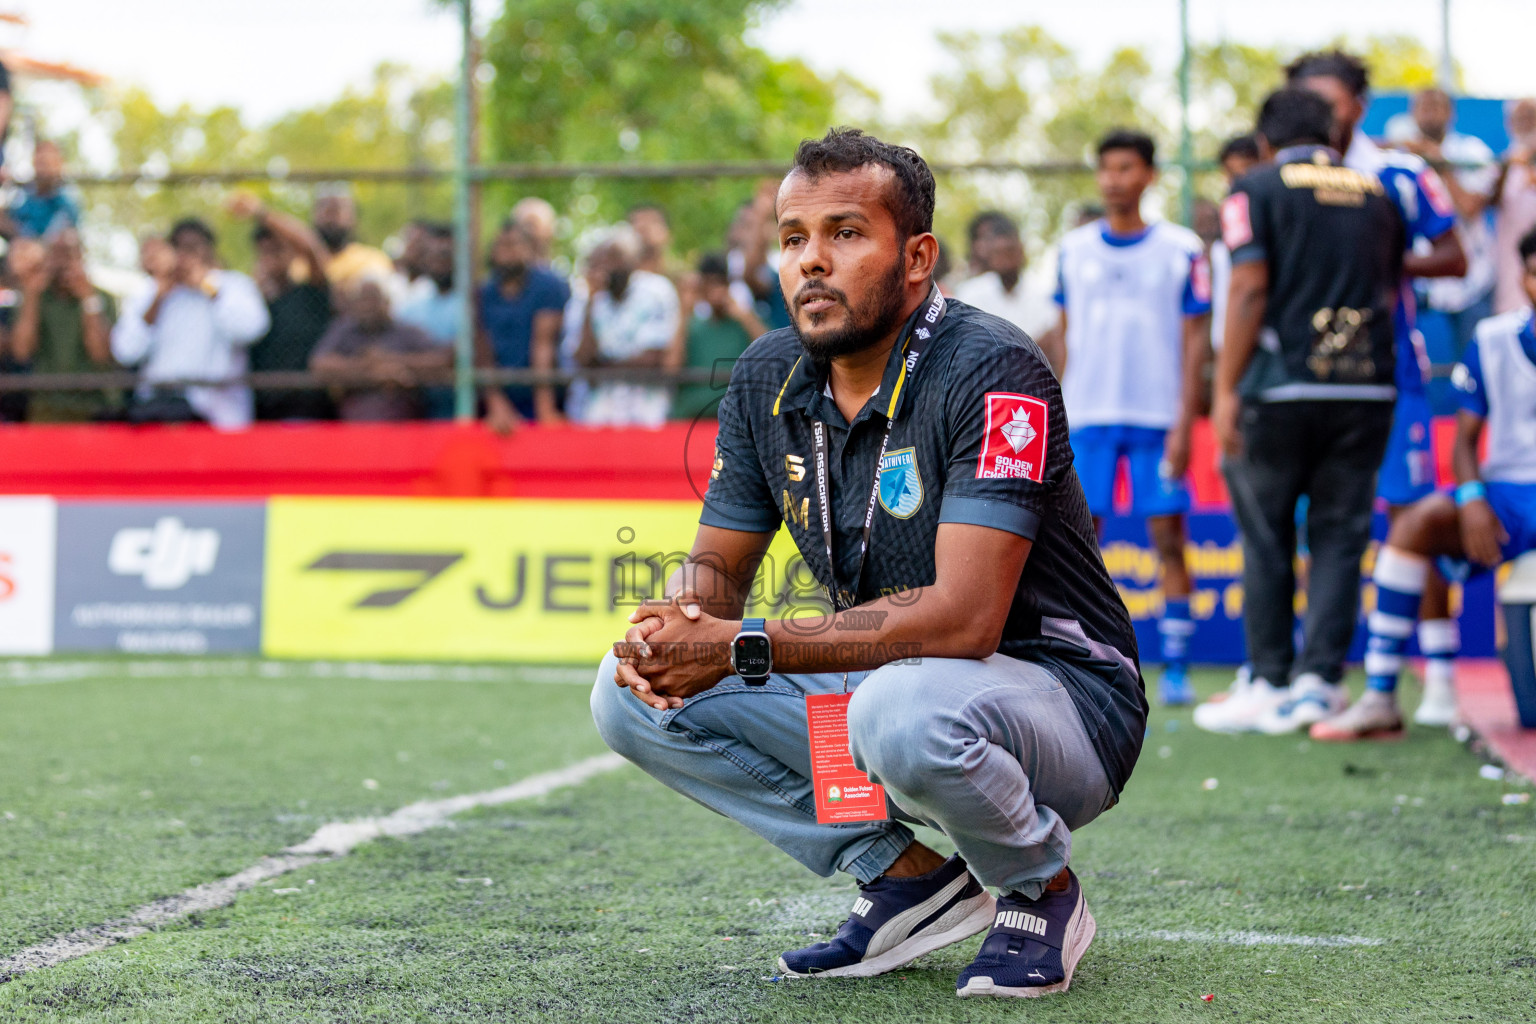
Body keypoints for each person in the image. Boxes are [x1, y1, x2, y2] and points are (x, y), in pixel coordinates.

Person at [591, 128, 1144, 999]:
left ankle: (1041, 889)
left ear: (917, 256)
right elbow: (715, 575)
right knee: (626, 695)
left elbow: (966, 619)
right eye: (793, 238)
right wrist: (678, 623)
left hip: (1062, 698)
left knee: (901, 707)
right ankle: (908, 876)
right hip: (894, 680)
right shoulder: (767, 375)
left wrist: (737, 645)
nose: (812, 261)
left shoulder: (994, 368)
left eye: (846, 233)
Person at [1196, 89, 1407, 735]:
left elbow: (1250, 285)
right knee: (1341, 538)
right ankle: (1319, 684)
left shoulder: (1254, 188)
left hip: (1280, 386)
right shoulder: (1377, 192)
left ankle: (1268, 679)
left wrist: (1225, 388)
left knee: (1267, 534)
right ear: (1333, 134)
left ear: (1265, 141)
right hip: (1367, 385)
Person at [1277, 50, 1467, 731]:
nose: (1318, 115)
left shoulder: (1397, 171)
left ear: (1358, 104)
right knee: (1315, 527)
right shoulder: (1283, 179)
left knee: (1412, 517)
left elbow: (1455, 256)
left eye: (1328, 101)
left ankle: (1440, 679)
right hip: (1307, 382)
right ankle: (1316, 679)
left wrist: (1380, 260)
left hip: (1392, 377)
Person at [1314, 225, 1536, 740]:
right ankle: (1381, 696)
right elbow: (1463, 441)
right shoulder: (1493, 338)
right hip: (1509, 494)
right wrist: (1474, 498)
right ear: (1522, 279)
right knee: (1416, 524)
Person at [1050, 129, 1212, 706]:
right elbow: (1064, 338)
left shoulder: (1183, 249)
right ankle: (1080, 660)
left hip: (1156, 416)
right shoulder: (1072, 250)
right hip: (1089, 415)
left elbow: (1197, 344)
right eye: (1106, 169)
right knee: (1078, 541)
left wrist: (1184, 420)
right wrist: (1058, 413)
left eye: (1125, 168)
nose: (1114, 180)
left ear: (1148, 175)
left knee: (1168, 536)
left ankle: (1177, 667)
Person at [111, 219, 270, 429]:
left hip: (218, 419)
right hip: (157, 417)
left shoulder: (232, 284)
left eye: (193, 247)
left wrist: (208, 287)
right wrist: (159, 297)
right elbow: (125, 351)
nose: (185, 255)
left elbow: (251, 329)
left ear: (210, 251)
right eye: (178, 247)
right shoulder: (150, 291)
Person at [1388, 87, 1499, 371]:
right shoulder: (1398, 155)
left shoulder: (1472, 151)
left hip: (1470, 279)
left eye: (1437, 105)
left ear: (1451, 113)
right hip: (1419, 275)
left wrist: (1437, 162)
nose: (1430, 112)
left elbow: (1470, 207)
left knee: (1477, 365)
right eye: (1423, 105)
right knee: (1395, 352)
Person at [227, 193, 335, 420]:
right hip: (262, 416)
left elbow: (312, 248)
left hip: (309, 412)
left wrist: (261, 214)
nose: (270, 258)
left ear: (293, 254)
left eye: (278, 250)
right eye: (264, 251)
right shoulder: (250, 303)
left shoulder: (311, 292)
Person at [571, 225, 679, 427]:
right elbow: (584, 360)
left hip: (647, 411)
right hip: (600, 412)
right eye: (603, 259)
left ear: (634, 261)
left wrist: (603, 367)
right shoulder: (588, 298)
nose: (608, 266)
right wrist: (590, 302)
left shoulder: (656, 291)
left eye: (616, 257)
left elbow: (652, 358)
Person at [5, 231, 117, 422]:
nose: (62, 263)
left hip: (93, 405)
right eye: (56, 254)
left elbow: (100, 354)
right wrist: (32, 293)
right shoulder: (37, 297)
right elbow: (21, 351)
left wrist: (88, 299)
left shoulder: (100, 297)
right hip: (46, 405)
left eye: (69, 254)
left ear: (81, 257)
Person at [309, 276, 450, 421]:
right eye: (363, 300)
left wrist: (393, 361)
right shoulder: (343, 330)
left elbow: (439, 360)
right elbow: (319, 363)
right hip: (353, 424)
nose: (368, 306)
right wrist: (368, 370)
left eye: (373, 299)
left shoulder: (407, 331)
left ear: (387, 303)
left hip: (405, 423)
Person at [478, 220, 568, 433]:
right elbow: (482, 348)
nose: (508, 252)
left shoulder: (548, 286)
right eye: (502, 245)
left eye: (515, 245)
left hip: (541, 396)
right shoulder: (484, 292)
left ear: (530, 249)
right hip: (497, 398)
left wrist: (544, 409)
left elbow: (544, 346)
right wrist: (496, 403)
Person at [668, 252, 766, 420]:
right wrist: (684, 313)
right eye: (708, 285)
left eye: (719, 284)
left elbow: (772, 352)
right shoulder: (691, 326)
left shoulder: (743, 323)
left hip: (736, 417)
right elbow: (671, 369)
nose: (714, 291)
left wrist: (745, 316)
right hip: (692, 415)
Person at [954, 211, 1056, 341]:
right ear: (991, 256)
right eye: (999, 252)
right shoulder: (970, 294)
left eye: (1010, 251)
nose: (1005, 259)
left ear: (1021, 252)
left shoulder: (1043, 294)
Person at [396, 223, 458, 419]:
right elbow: (397, 348)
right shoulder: (411, 303)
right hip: (415, 399)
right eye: (433, 255)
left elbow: (453, 356)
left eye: (445, 254)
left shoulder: (475, 301)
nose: (439, 262)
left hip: (456, 401)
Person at [1210, 135, 1261, 357]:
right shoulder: (1229, 220)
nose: (1239, 181)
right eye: (1231, 174)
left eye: (1247, 171)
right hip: (1228, 350)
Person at [1493, 99, 1536, 316]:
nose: (1526, 123)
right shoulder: (1506, 161)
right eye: (1520, 118)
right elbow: (1490, 200)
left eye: (1531, 116)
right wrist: (1506, 168)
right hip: (1512, 265)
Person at [312, 186, 396, 294]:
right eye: (325, 209)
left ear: (353, 217)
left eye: (337, 210)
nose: (331, 219)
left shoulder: (373, 260)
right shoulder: (298, 262)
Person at [5, 141, 81, 239]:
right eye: (39, 163)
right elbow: (14, 218)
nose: (42, 171)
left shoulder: (68, 199)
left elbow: (52, 237)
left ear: (59, 165)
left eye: (47, 164)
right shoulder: (26, 196)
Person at [628, 203, 680, 280]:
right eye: (636, 222)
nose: (642, 227)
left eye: (652, 221)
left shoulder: (678, 280)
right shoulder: (617, 281)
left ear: (668, 233)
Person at [510, 196, 559, 269]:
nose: (530, 232)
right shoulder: (503, 277)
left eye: (533, 225)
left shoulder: (555, 276)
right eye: (527, 224)